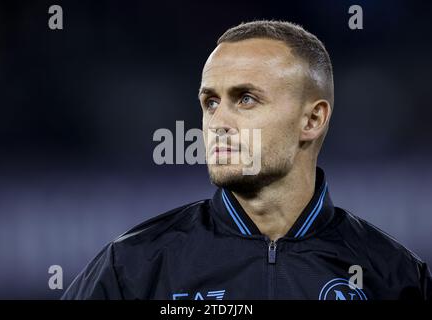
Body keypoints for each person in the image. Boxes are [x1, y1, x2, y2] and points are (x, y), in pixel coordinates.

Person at [62, 20, 431, 300]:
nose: (218, 123)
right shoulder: (134, 268)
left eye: (245, 99)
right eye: (211, 102)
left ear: (312, 120)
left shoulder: (395, 276)